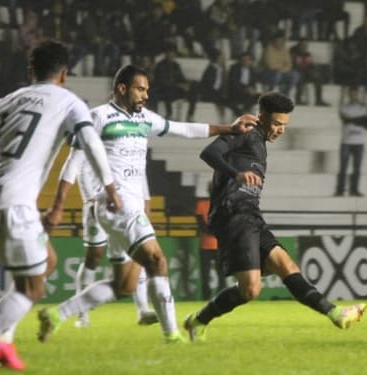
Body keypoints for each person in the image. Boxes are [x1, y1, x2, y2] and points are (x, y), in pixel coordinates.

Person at [37, 65, 257, 344]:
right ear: (122, 88)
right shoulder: (99, 117)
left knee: (125, 285)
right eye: (140, 89)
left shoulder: (145, 119)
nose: (145, 95)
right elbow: (74, 162)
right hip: (113, 203)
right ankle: (172, 335)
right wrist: (58, 205)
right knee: (156, 260)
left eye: (147, 90)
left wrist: (229, 128)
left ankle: (57, 314)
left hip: (128, 206)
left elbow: (182, 129)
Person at [0, 40, 121, 372]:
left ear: (30, 71)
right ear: (64, 74)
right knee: (32, 287)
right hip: (14, 204)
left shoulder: (7, 101)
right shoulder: (69, 102)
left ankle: (2, 342)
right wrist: (111, 188)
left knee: (48, 261)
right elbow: (91, 143)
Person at [183, 92, 366, 343]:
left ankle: (336, 313)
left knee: (286, 268)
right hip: (233, 214)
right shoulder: (245, 132)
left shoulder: (260, 144)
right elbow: (209, 153)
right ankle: (198, 320)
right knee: (250, 290)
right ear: (262, 118)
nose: (280, 130)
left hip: (251, 215)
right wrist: (236, 174)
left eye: (285, 125)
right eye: (277, 124)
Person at [67, 137, 159, 329]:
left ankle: (143, 310)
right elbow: (82, 173)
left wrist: (146, 208)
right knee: (93, 257)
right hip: (96, 206)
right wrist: (90, 201)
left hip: (127, 207)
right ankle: (82, 315)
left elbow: (142, 183)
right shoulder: (90, 148)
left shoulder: (131, 150)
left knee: (136, 256)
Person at [335, 86, 367, 197]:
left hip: (359, 142)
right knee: (343, 167)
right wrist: (356, 120)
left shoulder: (363, 108)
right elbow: (345, 119)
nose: (353, 96)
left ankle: (354, 189)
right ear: (348, 95)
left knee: (357, 168)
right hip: (346, 141)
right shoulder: (344, 107)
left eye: (355, 94)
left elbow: (362, 120)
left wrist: (351, 120)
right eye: (351, 94)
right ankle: (340, 190)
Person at [195, 187, 225, 300]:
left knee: (217, 274)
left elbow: (202, 225)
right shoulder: (204, 204)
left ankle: (212, 297)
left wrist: (210, 230)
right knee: (208, 274)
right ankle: (208, 297)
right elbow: (201, 224)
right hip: (209, 245)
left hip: (213, 245)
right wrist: (216, 231)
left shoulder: (221, 205)